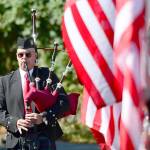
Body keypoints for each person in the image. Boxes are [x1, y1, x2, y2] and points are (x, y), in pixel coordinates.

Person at [0, 37, 70, 150]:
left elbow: (64, 102)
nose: (24, 58)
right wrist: (15, 122)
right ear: (16, 57)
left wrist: (43, 116)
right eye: (20, 55)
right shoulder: (5, 81)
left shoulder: (47, 76)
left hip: (44, 140)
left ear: (35, 56)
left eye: (28, 55)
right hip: (16, 142)